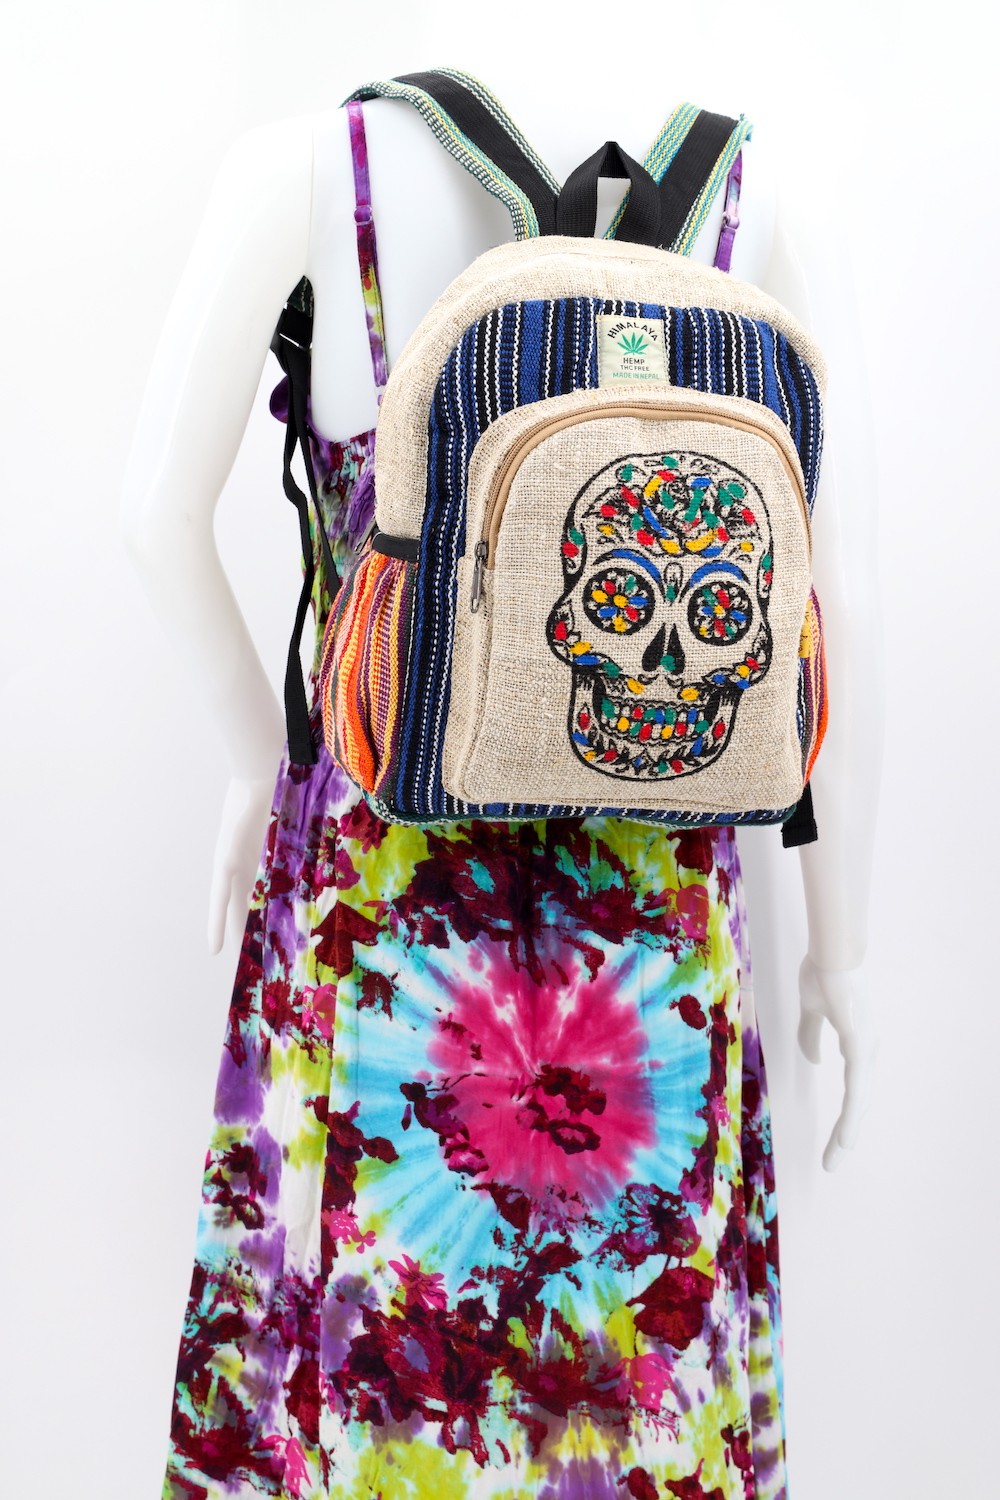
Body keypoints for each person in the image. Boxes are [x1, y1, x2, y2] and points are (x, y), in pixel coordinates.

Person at [124, 74, 879, 1500]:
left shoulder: (317, 169)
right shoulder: (751, 200)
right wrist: (842, 948)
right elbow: (843, 603)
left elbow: (151, 516)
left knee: (367, 1394)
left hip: (379, 914)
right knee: (647, 1406)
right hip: (658, 964)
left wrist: (259, 762)